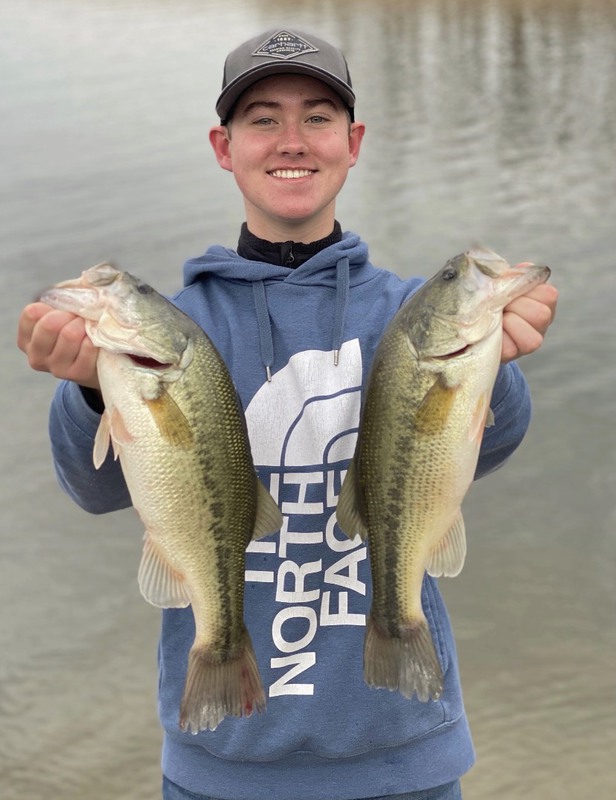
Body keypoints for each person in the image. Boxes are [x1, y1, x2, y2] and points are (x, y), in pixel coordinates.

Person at [17, 27, 557, 800]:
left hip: (404, 758)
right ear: (224, 146)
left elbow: (488, 447)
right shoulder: (178, 330)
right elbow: (94, 488)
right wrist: (92, 391)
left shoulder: (407, 314)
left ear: (353, 142)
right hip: (222, 766)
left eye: (318, 117)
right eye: (263, 118)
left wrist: (492, 369)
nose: (291, 140)